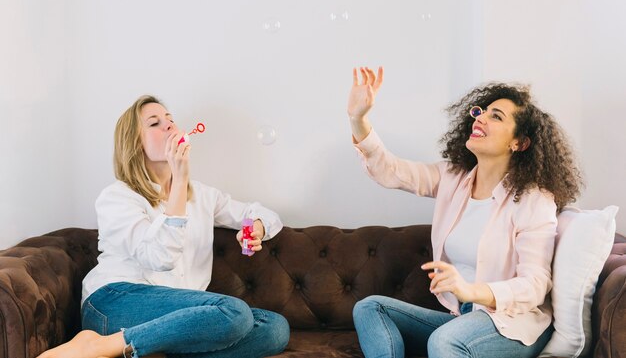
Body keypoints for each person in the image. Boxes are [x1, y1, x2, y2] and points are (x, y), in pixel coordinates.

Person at [349, 67, 583, 358]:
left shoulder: (534, 199)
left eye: (496, 116)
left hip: (512, 323)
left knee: (444, 342)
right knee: (371, 308)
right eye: (480, 112)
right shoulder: (452, 178)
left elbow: (534, 285)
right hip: (462, 319)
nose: (480, 117)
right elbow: (391, 171)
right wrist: (359, 119)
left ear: (519, 143)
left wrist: (471, 291)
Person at [38, 95, 289, 358]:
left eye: (170, 120)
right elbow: (160, 258)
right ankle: (97, 344)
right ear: (135, 143)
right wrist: (179, 180)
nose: (169, 125)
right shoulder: (117, 198)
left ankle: (148, 347)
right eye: (155, 123)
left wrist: (257, 226)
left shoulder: (203, 196)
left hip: (176, 317)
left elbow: (257, 213)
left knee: (275, 328)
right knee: (235, 313)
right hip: (113, 301)